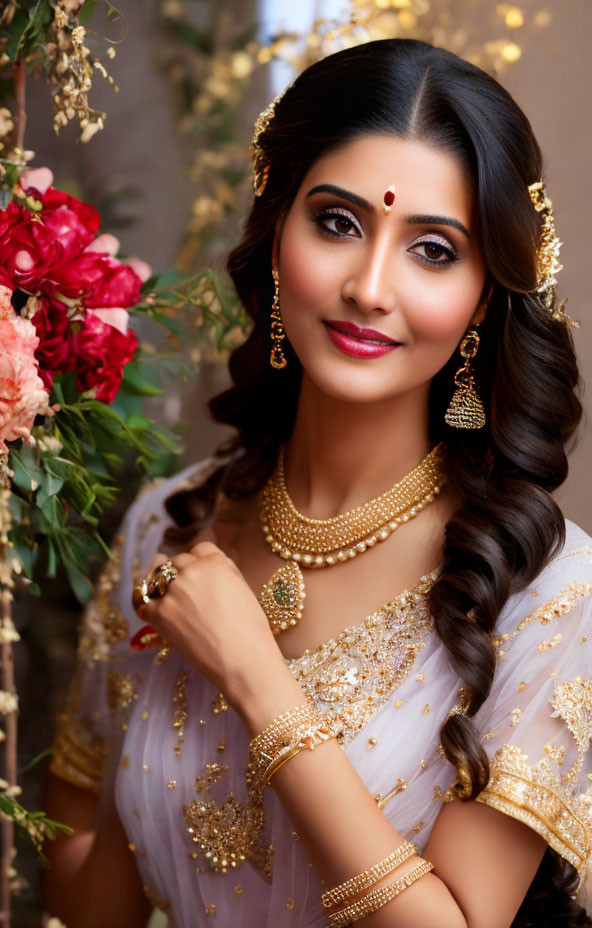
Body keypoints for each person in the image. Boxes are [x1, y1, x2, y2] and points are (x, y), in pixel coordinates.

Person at [41, 37, 592, 928]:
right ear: (275, 235)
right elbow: (88, 904)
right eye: (337, 223)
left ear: (485, 297)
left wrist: (252, 675)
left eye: (434, 251)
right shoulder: (167, 527)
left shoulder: (548, 596)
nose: (370, 287)